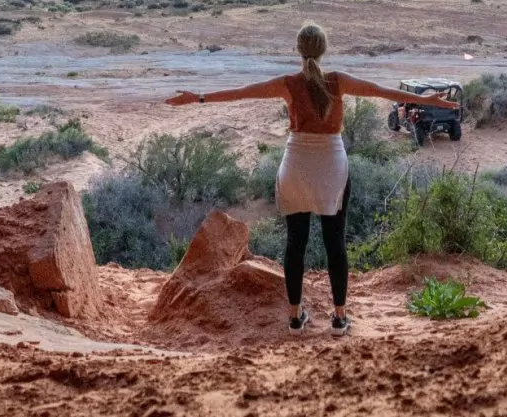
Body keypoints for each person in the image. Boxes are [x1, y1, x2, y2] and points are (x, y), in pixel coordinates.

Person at [165, 23, 458, 333]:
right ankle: (340, 317)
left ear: (298, 49)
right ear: (324, 49)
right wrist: (429, 101)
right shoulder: (339, 81)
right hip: (331, 166)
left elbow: (240, 93)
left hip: (296, 166)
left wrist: (196, 98)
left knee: (295, 243)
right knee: (335, 244)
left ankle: (294, 318)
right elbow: (381, 90)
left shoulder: (287, 84)